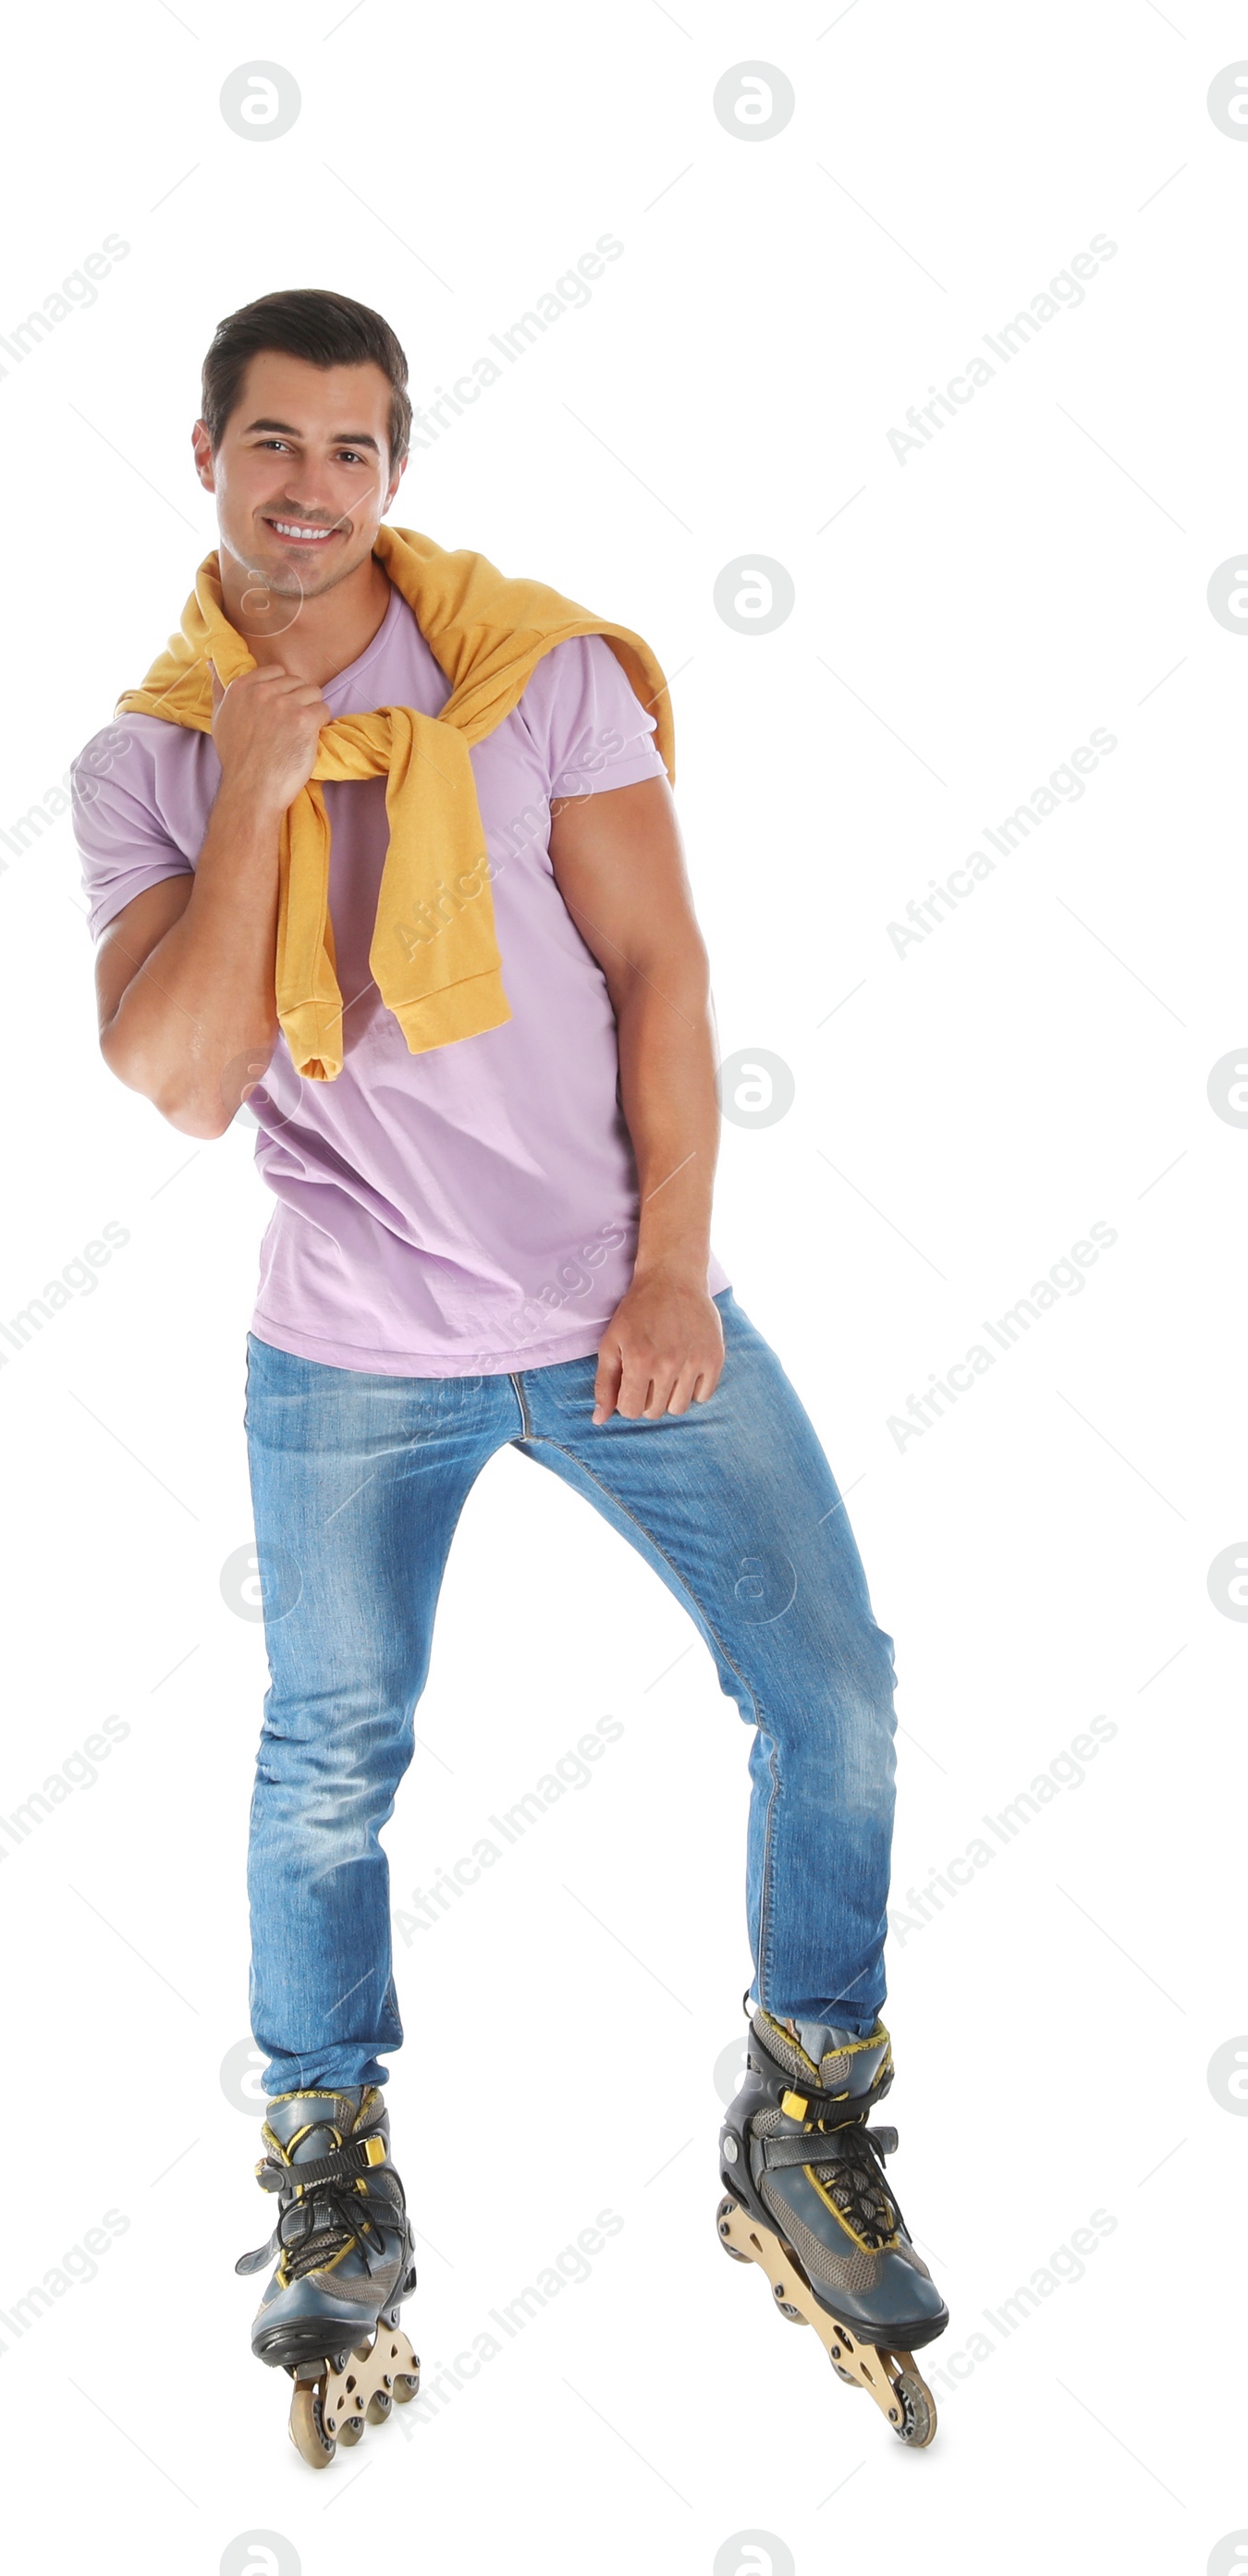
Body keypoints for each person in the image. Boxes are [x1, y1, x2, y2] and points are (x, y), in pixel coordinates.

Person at [70, 287, 948, 2466]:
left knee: (828, 1688)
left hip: (611, 1311)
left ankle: (805, 2113)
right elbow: (182, 1084)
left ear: (394, 469)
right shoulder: (148, 757)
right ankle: (328, 2163)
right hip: (350, 1343)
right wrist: (263, 786)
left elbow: (657, 971)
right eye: (272, 445)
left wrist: (668, 1275)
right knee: (330, 1764)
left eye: (353, 451)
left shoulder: (529, 677)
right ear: (203, 459)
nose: (311, 487)